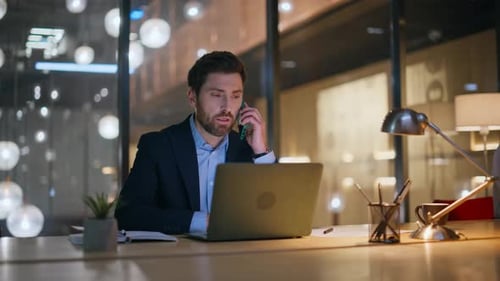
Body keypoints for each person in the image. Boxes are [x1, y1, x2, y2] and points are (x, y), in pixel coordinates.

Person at [114, 51, 276, 234]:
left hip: (240, 259)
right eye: (216, 95)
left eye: (236, 96)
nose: (227, 107)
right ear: (192, 97)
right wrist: (202, 221)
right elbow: (128, 214)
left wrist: (262, 152)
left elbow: (280, 215)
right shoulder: (158, 147)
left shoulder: (249, 151)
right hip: (179, 260)